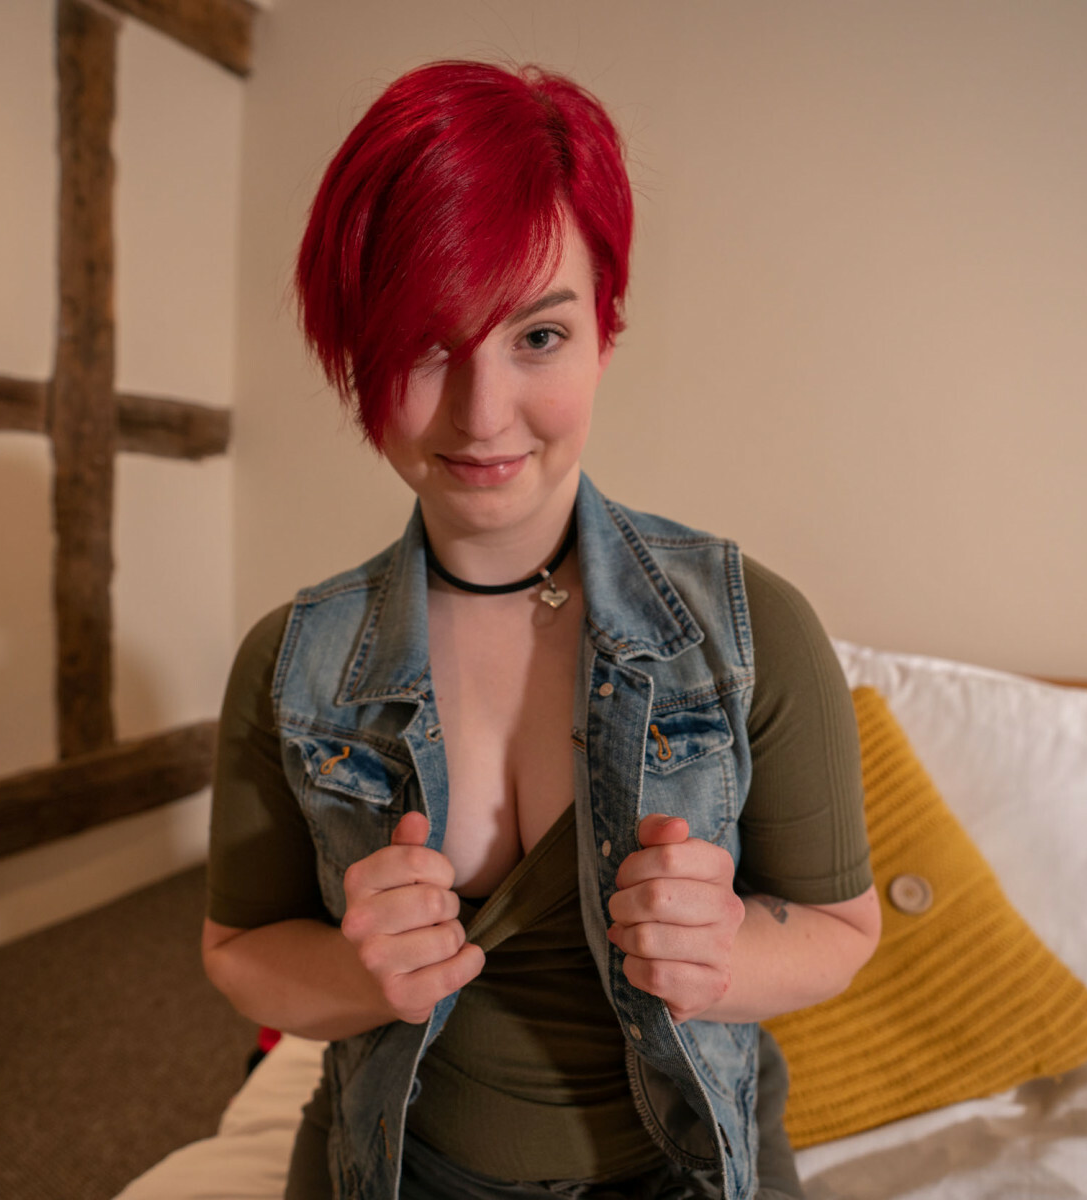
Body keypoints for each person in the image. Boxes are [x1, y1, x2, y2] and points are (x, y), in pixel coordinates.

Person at [201, 60, 879, 1200]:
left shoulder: (748, 629)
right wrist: (365, 975)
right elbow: (239, 955)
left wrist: (722, 952)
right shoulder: (293, 662)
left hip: (685, 1171)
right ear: (357, 351)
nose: (482, 415)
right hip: (395, 1168)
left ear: (604, 329)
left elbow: (841, 933)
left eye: (539, 336)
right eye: (426, 343)